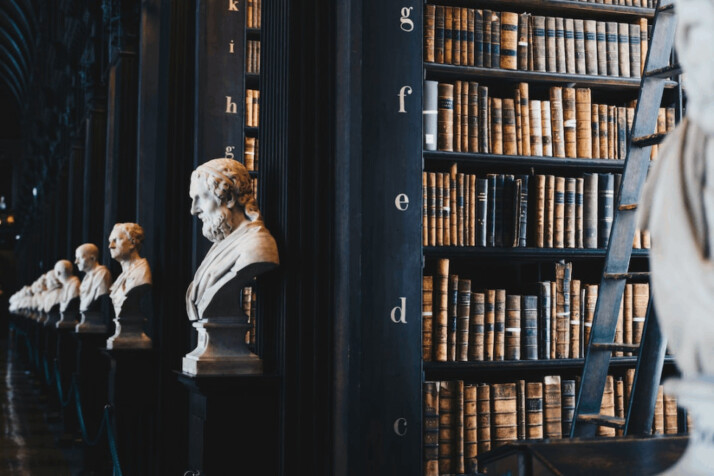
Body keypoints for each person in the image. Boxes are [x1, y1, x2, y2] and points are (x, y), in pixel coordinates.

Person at [186, 158, 279, 321]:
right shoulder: (221, 244)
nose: (194, 210)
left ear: (228, 198)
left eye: (201, 198)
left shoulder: (257, 245)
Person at [108, 223, 151, 317]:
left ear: (132, 243)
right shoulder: (123, 275)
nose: (110, 246)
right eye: (110, 241)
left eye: (116, 240)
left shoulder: (141, 272)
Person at [75, 243, 113, 311]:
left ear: (92, 258)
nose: (76, 262)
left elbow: (102, 294)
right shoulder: (86, 278)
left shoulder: (102, 273)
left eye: (79, 258)